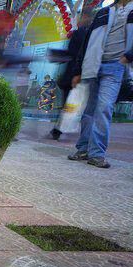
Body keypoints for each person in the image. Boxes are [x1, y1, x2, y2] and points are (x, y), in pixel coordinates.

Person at [68, 0, 133, 168]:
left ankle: (97, 153)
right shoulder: (103, 12)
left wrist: (129, 56)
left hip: (115, 67)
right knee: (88, 110)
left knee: (104, 107)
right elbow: (87, 42)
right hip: (93, 65)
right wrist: (77, 70)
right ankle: (83, 149)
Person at [49, 10, 93, 139]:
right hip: (80, 73)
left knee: (69, 104)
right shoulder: (88, 33)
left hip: (74, 74)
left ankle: (59, 130)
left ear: (85, 17)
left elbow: (73, 54)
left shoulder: (80, 33)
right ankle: (60, 129)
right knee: (73, 104)